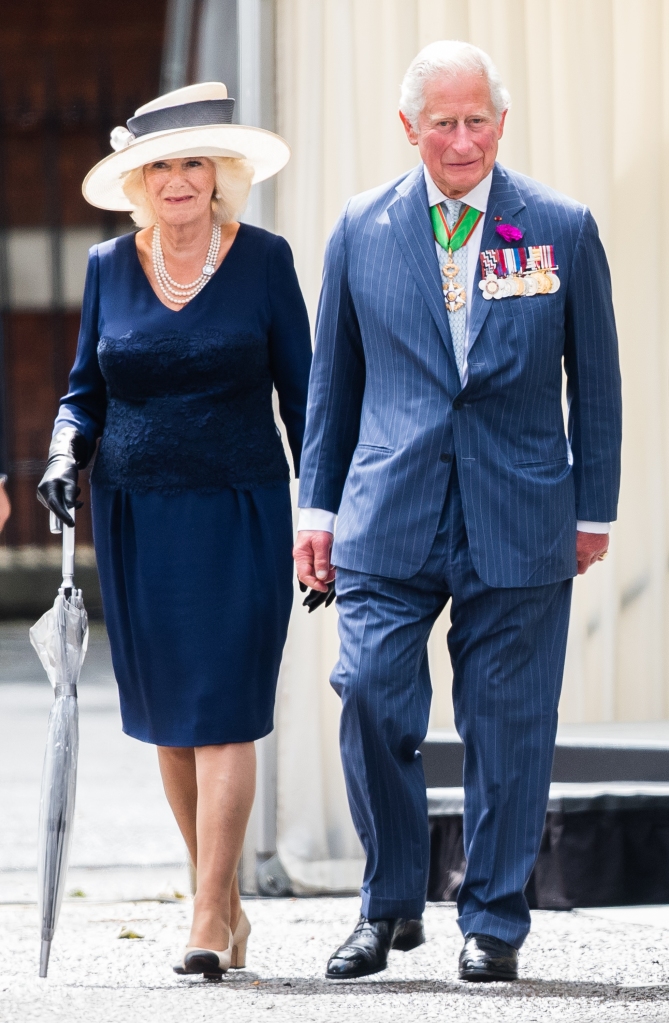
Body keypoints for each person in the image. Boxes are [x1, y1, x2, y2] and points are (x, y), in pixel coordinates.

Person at [294, 41, 621, 982]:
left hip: (521, 511)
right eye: (442, 121)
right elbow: (332, 388)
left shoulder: (559, 226)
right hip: (387, 509)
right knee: (366, 692)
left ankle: (494, 917)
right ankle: (389, 902)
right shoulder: (360, 228)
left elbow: (594, 382)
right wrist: (315, 511)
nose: (462, 138)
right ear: (409, 128)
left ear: (501, 123)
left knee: (508, 724)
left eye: (477, 119)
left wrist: (591, 508)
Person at [37, 83, 312, 978]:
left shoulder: (265, 261)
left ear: (218, 174)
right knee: (171, 722)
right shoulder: (109, 268)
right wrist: (60, 448)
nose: (178, 179)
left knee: (226, 711)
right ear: (139, 181)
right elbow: (86, 388)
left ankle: (202, 914)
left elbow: (306, 399)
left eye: (193, 161)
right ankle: (221, 900)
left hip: (240, 508)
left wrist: (325, 516)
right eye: (161, 164)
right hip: (136, 511)